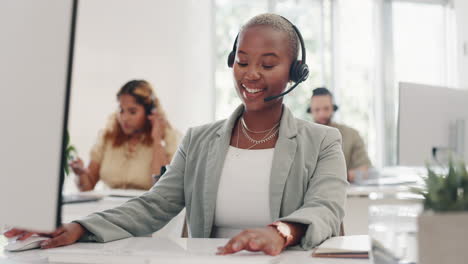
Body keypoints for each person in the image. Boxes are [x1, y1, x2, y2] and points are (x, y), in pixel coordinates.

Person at [4, 14, 347, 256]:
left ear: (295, 73)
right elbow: (153, 206)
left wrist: (281, 232)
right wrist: (78, 227)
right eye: (242, 61)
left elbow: (326, 208)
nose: (251, 74)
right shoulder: (199, 140)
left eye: (268, 64)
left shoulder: (322, 142)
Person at [70, 80, 180, 191]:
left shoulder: (168, 138)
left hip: (145, 207)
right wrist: (81, 174)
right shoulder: (107, 137)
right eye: (121, 110)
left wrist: (157, 141)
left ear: (149, 112)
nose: (124, 118)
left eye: (132, 112)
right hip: (109, 206)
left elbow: (162, 188)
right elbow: (88, 187)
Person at [307, 87, 372, 182]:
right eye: (317, 110)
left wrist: (339, 177)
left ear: (333, 109)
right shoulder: (301, 137)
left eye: (326, 108)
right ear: (311, 111)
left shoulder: (352, 135)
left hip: (346, 193)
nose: (322, 114)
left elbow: (365, 170)